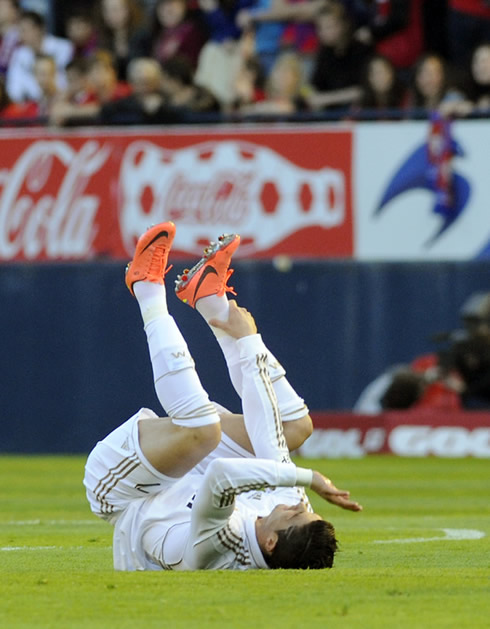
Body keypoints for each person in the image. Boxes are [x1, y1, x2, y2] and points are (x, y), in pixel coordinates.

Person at [84, 222, 362, 571]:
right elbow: (272, 441)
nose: (300, 505)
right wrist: (249, 341)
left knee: (203, 431)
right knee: (294, 427)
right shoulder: (287, 512)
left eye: (296, 514)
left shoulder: (216, 549)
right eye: (306, 508)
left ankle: (146, 288)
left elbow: (220, 476)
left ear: (270, 542)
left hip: (127, 489)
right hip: (188, 470)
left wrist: (310, 477)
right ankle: (211, 302)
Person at [6, 10, 73, 102]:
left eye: (24, 30)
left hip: (62, 99)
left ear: (40, 29)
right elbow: (14, 88)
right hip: (32, 106)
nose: (21, 36)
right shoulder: (19, 54)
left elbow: (65, 80)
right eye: (20, 31)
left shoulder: (64, 48)